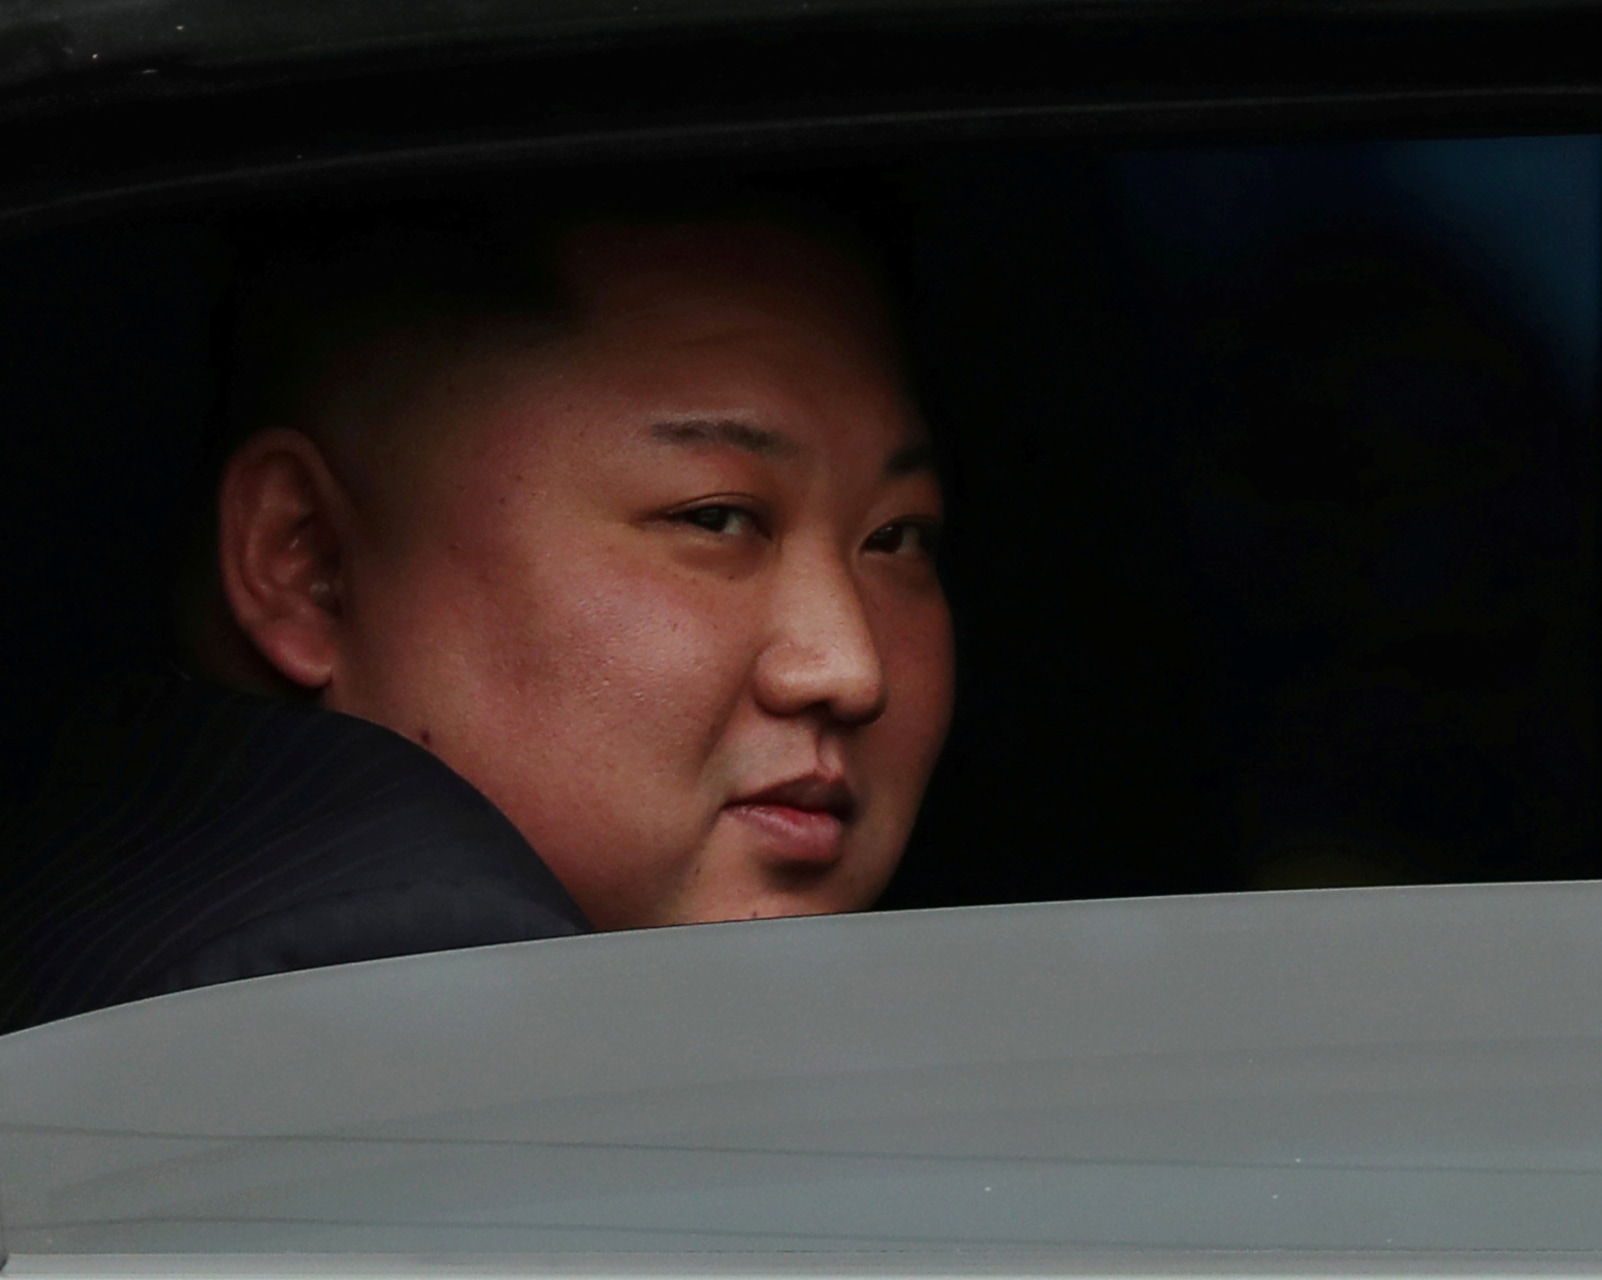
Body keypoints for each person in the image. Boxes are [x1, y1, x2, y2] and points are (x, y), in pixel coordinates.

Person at [0, 192, 954, 1031]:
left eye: (898, 538)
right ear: (308, 563)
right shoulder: (398, 1004)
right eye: (715, 518)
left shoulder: (137, 843)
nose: (847, 666)